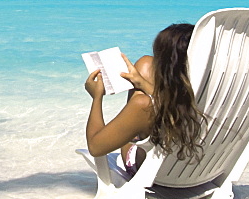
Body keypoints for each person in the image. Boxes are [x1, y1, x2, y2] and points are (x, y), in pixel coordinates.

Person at [84, 23, 205, 175]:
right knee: (145, 64)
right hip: (201, 171)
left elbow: (96, 148)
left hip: (157, 178)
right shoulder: (212, 92)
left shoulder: (143, 105)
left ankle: (134, 130)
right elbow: (174, 104)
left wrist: (96, 97)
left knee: (144, 73)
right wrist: (143, 84)